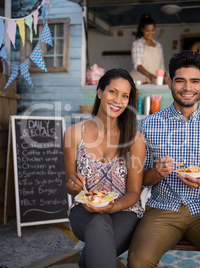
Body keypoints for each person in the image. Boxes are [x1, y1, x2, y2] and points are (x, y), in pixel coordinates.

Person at [127, 50, 200, 268]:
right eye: (180, 81)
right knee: (139, 260)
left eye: (194, 81)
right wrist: (156, 172)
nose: (187, 88)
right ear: (170, 82)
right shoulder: (149, 125)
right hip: (162, 209)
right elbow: (141, 179)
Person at [63, 68, 146, 268]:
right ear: (100, 92)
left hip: (125, 210)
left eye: (125, 96)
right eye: (113, 92)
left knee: (93, 253)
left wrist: (113, 206)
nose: (118, 100)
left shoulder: (134, 139)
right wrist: (73, 185)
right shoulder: (73, 134)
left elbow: (134, 192)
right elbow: (69, 185)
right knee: (98, 223)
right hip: (84, 210)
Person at [130, 14, 165, 84]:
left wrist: (161, 79)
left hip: (154, 82)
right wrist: (150, 76)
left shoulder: (158, 45)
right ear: (142, 29)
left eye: (152, 30)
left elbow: (161, 65)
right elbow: (137, 64)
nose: (150, 33)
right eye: (147, 30)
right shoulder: (137, 44)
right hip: (138, 81)